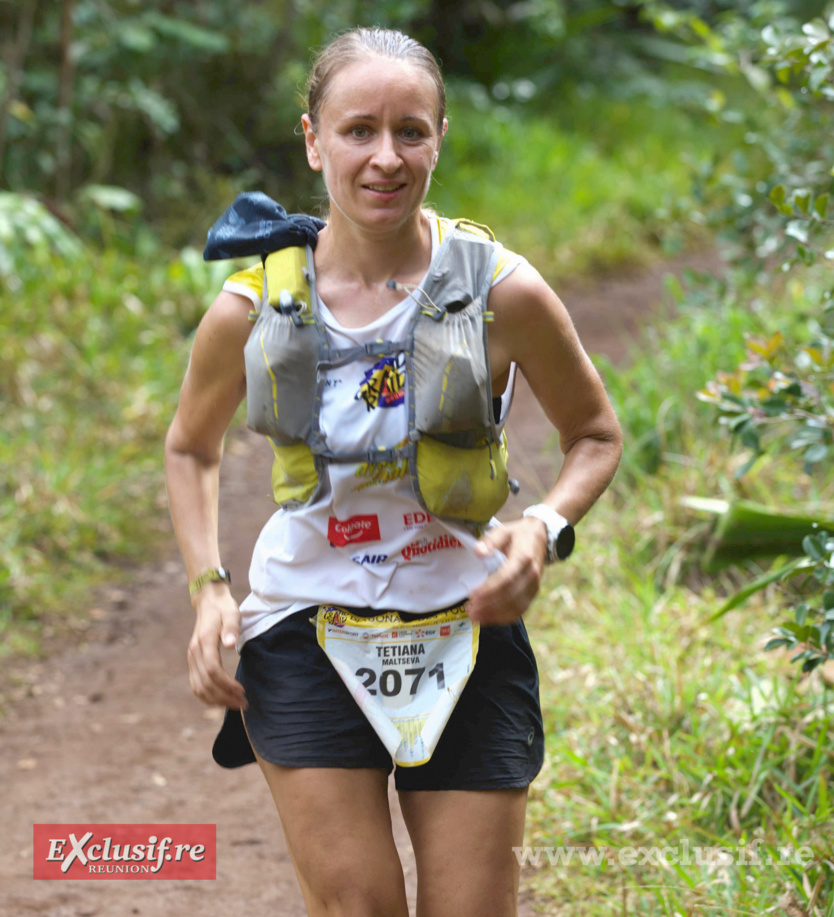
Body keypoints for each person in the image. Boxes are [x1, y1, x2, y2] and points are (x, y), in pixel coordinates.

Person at [165, 26, 622, 917]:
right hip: (304, 629)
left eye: (410, 131)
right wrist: (210, 588)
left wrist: (543, 526)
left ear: (440, 139)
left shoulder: (504, 293)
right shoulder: (251, 308)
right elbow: (190, 444)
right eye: (358, 130)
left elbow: (596, 436)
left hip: (468, 624)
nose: (385, 157)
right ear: (312, 140)